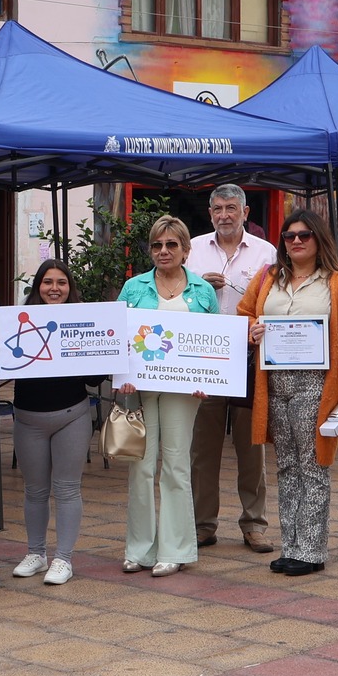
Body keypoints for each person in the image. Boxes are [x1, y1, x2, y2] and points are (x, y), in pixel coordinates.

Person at [239, 210, 338, 576]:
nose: (295, 241)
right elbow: (244, 312)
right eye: (289, 236)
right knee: (286, 466)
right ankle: (292, 546)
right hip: (274, 383)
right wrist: (251, 329)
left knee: (313, 467)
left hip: (317, 384)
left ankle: (311, 551)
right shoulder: (269, 278)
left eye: (304, 235)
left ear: (319, 240)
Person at [118, 214, 218, 577]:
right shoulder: (133, 288)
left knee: (176, 466)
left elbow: (214, 344)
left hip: (183, 391)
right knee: (141, 466)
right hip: (140, 389)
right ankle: (139, 549)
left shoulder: (203, 292)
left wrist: (210, 378)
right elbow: (119, 339)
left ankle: (175, 550)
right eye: (157, 245)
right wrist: (123, 376)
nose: (164, 251)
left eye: (171, 244)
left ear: (186, 250)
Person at [186, 184, 279, 552]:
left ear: (246, 212)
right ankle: (202, 524)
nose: (224, 215)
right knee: (202, 449)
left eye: (231, 208)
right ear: (210, 213)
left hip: (247, 360)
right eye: (218, 209)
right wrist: (199, 288)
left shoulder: (265, 251)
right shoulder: (192, 249)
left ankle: (254, 524)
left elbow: (274, 300)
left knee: (251, 445)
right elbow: (176, 296)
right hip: (204, 361)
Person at [10, 260, 96, 585]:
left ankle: (63, 559)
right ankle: (35, 552)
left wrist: (105, 351)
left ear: (70, 288)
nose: (55, 288)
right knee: (34, 490)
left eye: (62, 282)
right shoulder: (19, 322)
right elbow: (9, 364)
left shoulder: (83, 321)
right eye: (48, 282)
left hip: (71, 415)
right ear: (38, 286)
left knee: (67, 488)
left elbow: (95, 377)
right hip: (28, 418)